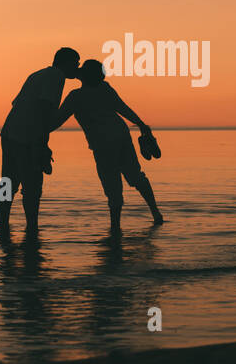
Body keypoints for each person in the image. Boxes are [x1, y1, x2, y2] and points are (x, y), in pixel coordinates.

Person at [50, 59, 163, 233]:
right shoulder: (105, 88)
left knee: (112, 185)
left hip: (103, 144)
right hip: (121, 136)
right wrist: (141, 124)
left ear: (84, 75)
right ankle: (156, 214)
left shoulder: (75, 97)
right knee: (136, 176)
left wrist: (37, 129)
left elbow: (56, 121)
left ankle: (115, 227)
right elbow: (123, 108)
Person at [0, 47, 80, 236]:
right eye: (75, 63)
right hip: (27, 137)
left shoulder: (37, 74)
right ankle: (32, 228)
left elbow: (16, 103)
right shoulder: (56, 77)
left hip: (9, 132)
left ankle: (2, 225)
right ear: (65, 63)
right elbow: (45, 109)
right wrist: (42, 143)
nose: (77, 67)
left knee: (7, 182)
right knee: (32, 185)